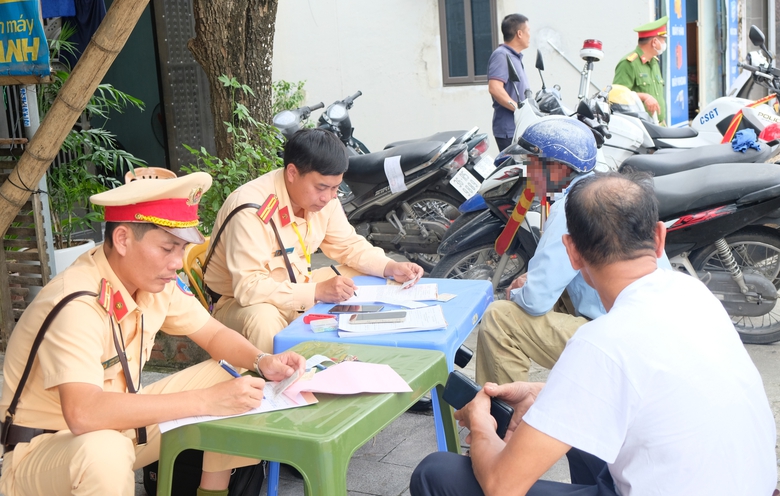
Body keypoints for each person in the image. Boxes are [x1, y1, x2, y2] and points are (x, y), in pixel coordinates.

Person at [411, 171, 777, 496]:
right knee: (574, 437)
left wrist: (479, 420)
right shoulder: (695, 295)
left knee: (437, 472)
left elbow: (503, 486)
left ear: (571, 251)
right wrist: (546, 394)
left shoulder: (602, 342)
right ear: (660, 238)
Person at [0, 172, 306, 496]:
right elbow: (83, 413)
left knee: (242, 380)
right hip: (46, 453)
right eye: (167, 248)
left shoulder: (154, 282)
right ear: (122, 239)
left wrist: (263, 360)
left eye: (183, 248)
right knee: (105, 452)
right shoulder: (76, 302)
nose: (178, 262)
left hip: (118, 429)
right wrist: (206, 401)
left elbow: (215, 336)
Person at [475, 118, 671, 386]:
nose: (529, 173)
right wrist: (533, 283)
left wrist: (519, 291)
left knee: (499, 317)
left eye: (532, 164)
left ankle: (503, 416)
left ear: (558, 168)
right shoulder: (610, 191)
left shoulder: (570, 208)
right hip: (654, 332)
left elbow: (535, 301)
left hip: (622, 342)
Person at [205, 128, 423, 352]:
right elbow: (249, 288)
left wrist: (390, 267)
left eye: (335, 188)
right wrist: (316, 292)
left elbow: (348, 245)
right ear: (292, 173)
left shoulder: (322, 199)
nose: (328, 197)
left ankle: (366, 352)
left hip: (297, 282)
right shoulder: (252, 208)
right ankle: (274, 383)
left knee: (367, 276)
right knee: (263, 318)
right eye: (321, 187)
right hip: (238, 302)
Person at [487, 13, 531, 151]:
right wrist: (518, 109)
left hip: (519, 127)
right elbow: (495, 88)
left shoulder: (514, 57)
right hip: (510, 130)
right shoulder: (501, 55)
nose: (530, 35)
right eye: (528, 31)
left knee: (527, 170)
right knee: (520, 170)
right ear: (519, 33)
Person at [613, 16, 668, 125]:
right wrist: (644, 96)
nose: (664, 44)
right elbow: (617, 97)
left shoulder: (654, 62)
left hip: (659, 125)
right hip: (641, 128)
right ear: (654, 42)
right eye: (663, 40)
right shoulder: (628, 63)